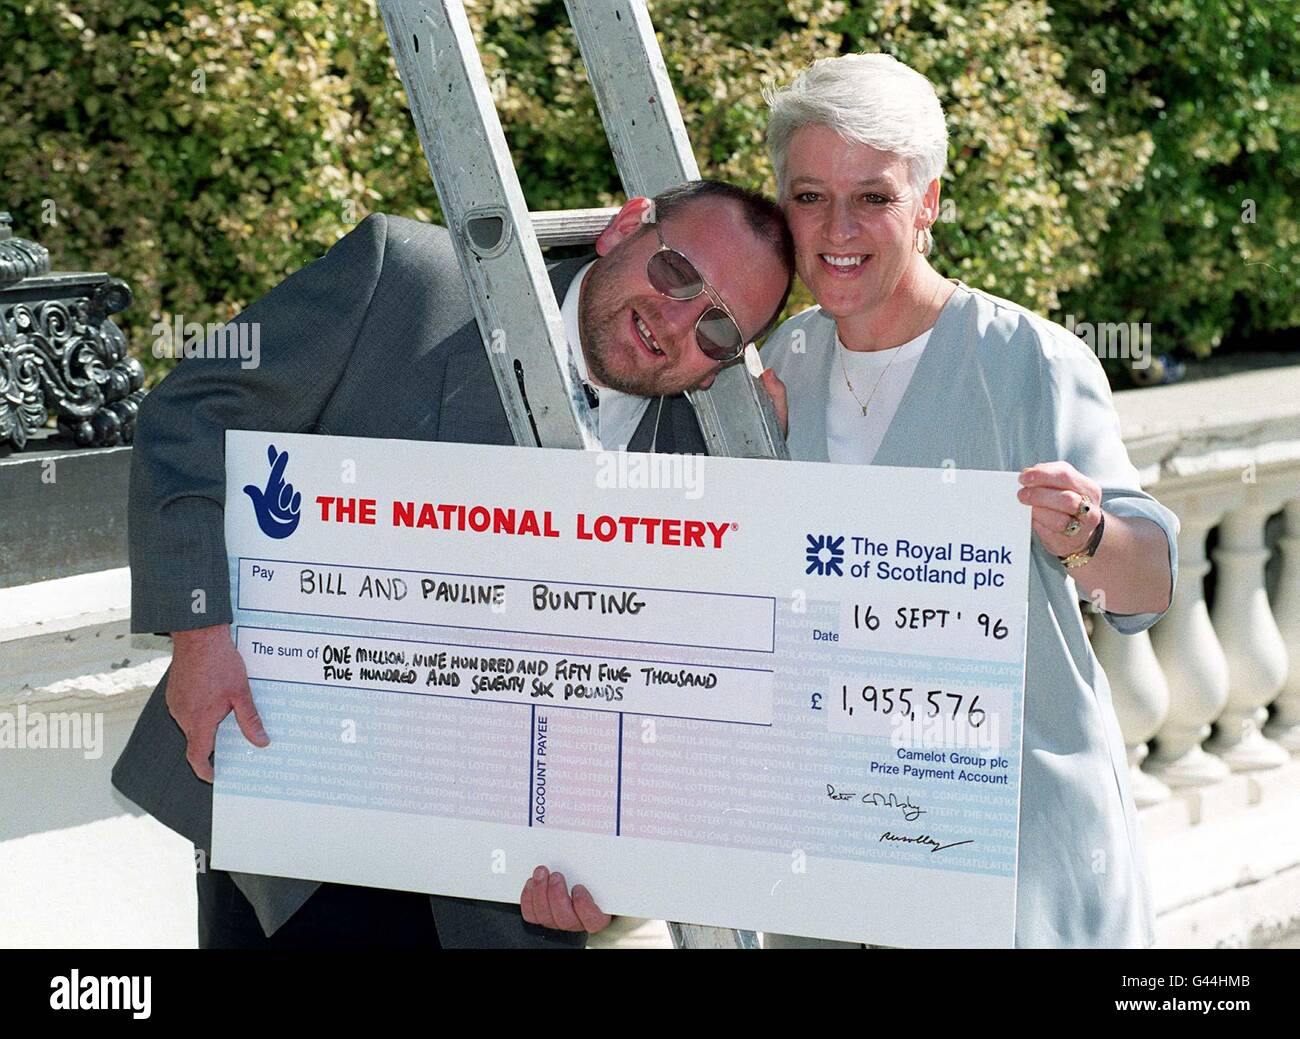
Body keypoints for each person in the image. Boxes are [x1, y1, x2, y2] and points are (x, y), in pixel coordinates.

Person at [111, 179, 794, 948]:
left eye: (716, 330)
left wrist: (617, 880)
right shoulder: (405, 280)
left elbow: (681, 720)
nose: (674, 321)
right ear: (625, 227)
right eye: (675, 272)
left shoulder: (703, 465)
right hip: (297, 840)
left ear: (718, 370)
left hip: (508, 906)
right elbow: (194, 416)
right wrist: (201, 633)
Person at [755, 54, 1178, 948]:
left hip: (1018, 853)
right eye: (808, 196)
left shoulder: (1031, 361)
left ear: (929, 201)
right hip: (839, 845)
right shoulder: (776, 370)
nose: (839, 227)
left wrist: (1087, 533)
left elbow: (1149, 586)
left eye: (872, 196)